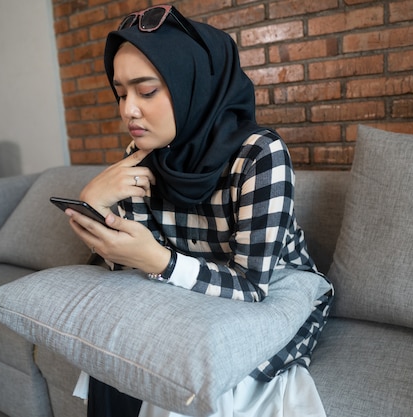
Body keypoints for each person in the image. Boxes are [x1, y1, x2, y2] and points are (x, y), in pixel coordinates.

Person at [65, 5, 333, 417]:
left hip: (269, 290)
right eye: (120, 93)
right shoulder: (142, 156)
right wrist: (93, 202)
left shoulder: (260, 155)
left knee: (188, 376)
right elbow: (129, 272)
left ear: (192, 83)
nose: (128, 110)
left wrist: (159, 260)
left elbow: (252, 287)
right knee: (115, 357)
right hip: (188, 292)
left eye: (146, 90)